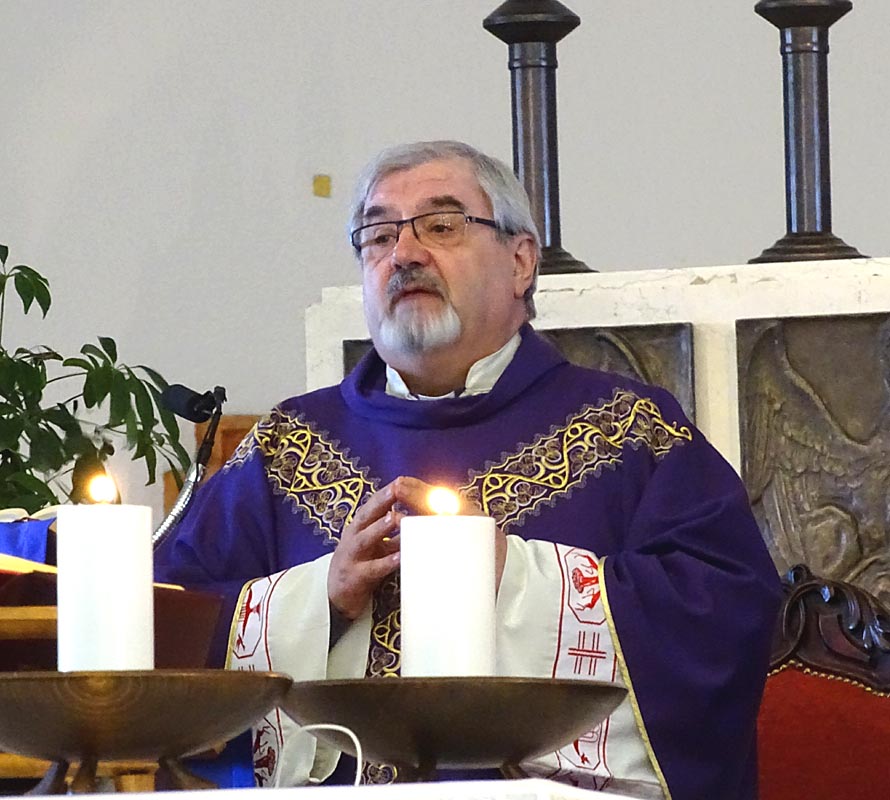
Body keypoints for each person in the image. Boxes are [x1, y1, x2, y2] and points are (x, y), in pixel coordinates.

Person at [155, 140, 781, 799]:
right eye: (379, 235)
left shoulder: (629, 430)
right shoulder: (286, 446)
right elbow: (168, 624)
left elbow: (725, 614)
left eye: (442, 225)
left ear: (521, 261)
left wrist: (519, 577)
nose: (405, 253)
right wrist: (321, 598)